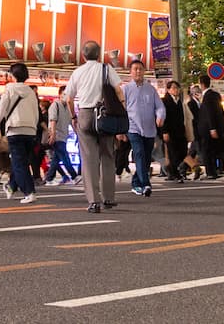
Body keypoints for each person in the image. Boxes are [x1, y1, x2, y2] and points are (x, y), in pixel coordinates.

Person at [66, 42, 126, 213]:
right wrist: (123, 109)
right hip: (105, 115)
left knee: (89, 158)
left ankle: (94, 201)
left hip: (85, 114)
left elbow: (69, 99)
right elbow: (119, 91)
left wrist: (73, 117)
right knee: (107, 155)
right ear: (99, 55)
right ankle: (109, 198)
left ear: (83, 55)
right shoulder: (106, 69)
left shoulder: (77, 72)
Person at [0, 60, 43, 205]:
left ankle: (29, 192)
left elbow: (1, 110)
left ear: (12, 75)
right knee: (21, 161)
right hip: (30, 131)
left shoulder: (9, 89)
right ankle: (11, 186)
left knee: (19, 163)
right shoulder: (31, 92)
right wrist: (33, 127)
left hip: (15, 129)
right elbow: (36, 113)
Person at [122, 59, 161, 198]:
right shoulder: (125, 89)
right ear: (130, 72)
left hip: (149, 128)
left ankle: (135, 183)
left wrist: (160, 116)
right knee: (139, 153)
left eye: (140, 69)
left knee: (146, 157)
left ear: (144, 71)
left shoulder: (150, 89)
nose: (138, 71)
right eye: (135, 69)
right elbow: (122, 109)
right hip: (132, 127)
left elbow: (160, 106)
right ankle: (146, 184)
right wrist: (121, 130)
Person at [194, 75, 224, 180]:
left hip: (208, 129)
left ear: (201, 84)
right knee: (213, 150)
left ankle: (210, 172)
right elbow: (220, 112)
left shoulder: (207, 96)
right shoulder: (215, 94)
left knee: (206, 150)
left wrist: (212, 128)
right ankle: (214, 170)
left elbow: (209, 113)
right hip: (217, 127)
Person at [160, 81, 189, 183]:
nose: (176, 90)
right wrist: (164, 131)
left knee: (182, 151)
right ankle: (175, 174)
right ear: (168, 90)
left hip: (180, 131)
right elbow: (163, 117)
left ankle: (172, 172)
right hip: (170, 131)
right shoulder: (164, 101)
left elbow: (182, 118)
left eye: (177, 88)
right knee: (173, 153)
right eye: (173, 88)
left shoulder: (179, 101)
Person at [48, 92, 79, 186]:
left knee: (56, 158)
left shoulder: (68, 108)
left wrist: (77, 133)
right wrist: (53, 134)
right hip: (56, 135)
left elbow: (71, 122)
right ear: (60, 95)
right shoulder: (55, 105)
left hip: (63, 136)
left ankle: (49, 178)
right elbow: (53, 120)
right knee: (64, 156)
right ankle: (74, 175)